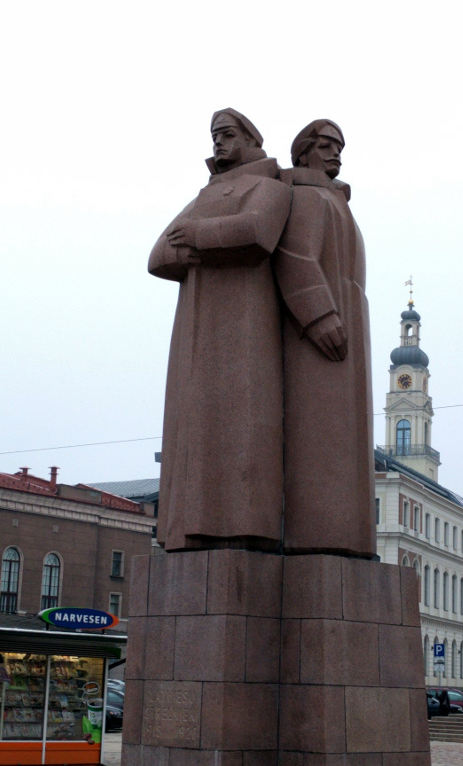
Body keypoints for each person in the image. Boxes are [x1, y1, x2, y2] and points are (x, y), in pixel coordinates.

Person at [149, 109, 291, 551]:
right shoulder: (204, 194)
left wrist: (193, 236)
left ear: (250, 139)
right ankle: (190, 529)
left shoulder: (269, 186)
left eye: (226, 134)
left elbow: (257, 232)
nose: (217, 143)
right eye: (214, 135)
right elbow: (156, 256)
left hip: (246, 323)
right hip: (195, 328)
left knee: (242, 422)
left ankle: (241, 525)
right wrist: (189, 250)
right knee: (194, 429)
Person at [273, 120, 377, 558]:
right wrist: (318, 316)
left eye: (340, 147)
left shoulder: (335, 201)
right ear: (303, 153)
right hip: (319, 339)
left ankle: (344, 540)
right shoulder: (308, 196)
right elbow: (295, 256)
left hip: (347, 332)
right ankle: (320, 536)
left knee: (345, 440)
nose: (337, 154)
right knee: (320, 435)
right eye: (327, 145)